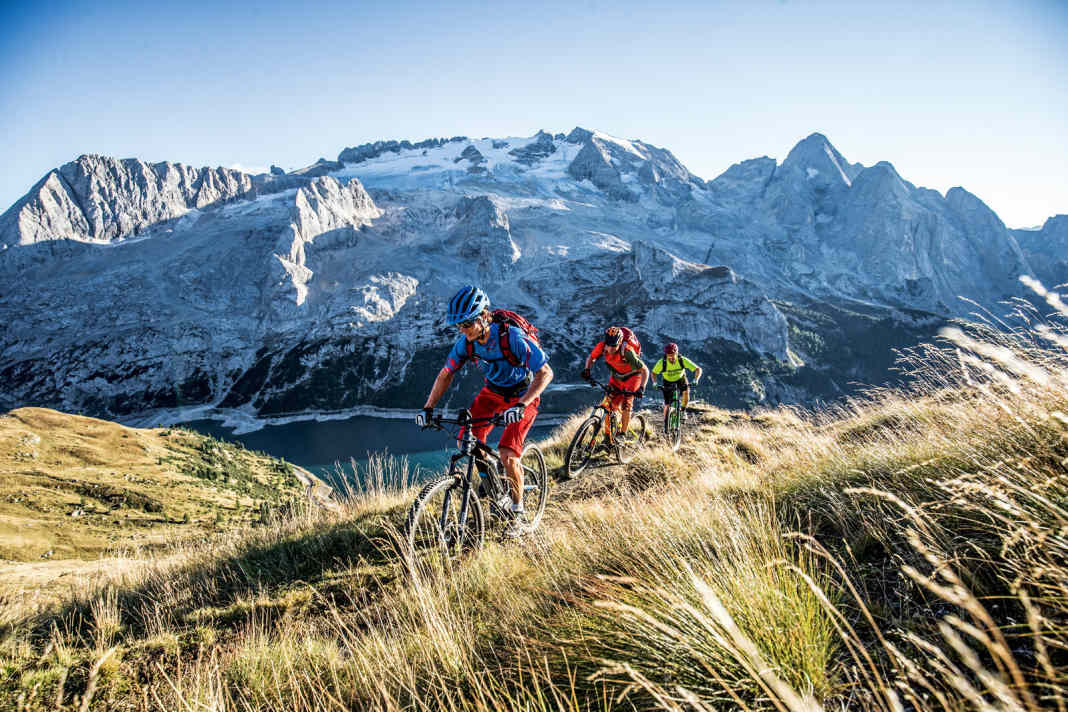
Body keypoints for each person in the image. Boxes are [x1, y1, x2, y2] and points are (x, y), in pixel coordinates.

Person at [416, 285, 553, 537]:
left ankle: (518, 513)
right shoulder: (466, 344)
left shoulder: (512, 338)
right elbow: (446, 374)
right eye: (458, 325)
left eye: (467, 323)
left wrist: (522, 404)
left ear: (484, 316)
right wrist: (428, 408)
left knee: (508, 455)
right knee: (466, 441)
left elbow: (545, 373)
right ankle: (493, 480)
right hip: (492, 393)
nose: (462, 330)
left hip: (523, 394)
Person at [582, 326, 649, 444]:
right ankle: (608, 438)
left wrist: (641, 388)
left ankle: (622, 434)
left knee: (626, 404)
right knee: (609, 405)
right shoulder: (602, 347)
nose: (610, 349)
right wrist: (587, 370)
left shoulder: (627, 351)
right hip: (617, 377)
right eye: (608, 345)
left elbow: (645, 370)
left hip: (633, 377)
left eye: (614, 346)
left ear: (620, 342)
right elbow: (591, 358)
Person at [650, 343, 702, 422]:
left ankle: (683, 411)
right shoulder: (662, 362)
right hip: (667, 381)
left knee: (686, 392)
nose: (670, 357)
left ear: (676, 353)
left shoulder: (682, 360)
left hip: (680, 379)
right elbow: (653, 373)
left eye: (672, 355)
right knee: (667, 404)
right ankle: (666, 422)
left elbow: (698, 369)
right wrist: (654, 383)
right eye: (668, 355)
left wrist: (696, 379)